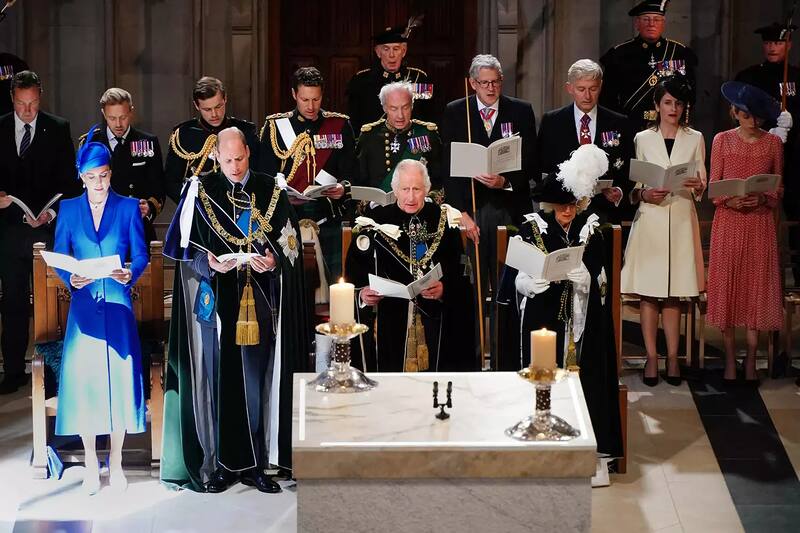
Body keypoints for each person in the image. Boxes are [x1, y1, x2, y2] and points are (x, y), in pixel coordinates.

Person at [161, 127, 310, 494]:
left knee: (257, 380)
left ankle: (258, 464)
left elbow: (291, 246)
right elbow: (186, 252)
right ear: (216, 157)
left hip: (261, 300)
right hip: (219, 303)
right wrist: (210, 262)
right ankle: (226, 464)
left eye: (239, 159)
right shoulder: (201, 190)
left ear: (248, 152)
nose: (234, 166)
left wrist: (274, 260)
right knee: (223, 380)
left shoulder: (270, 188)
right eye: (226, 160)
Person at [514, 145, 623, 476]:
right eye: (561, 206)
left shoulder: (591, 230)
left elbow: (604, 282)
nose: (567, 212)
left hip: (581, 327)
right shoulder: (533, 228)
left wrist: (588, 279)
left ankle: (588, 450)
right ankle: (542, 445)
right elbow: (514, 275)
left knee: (586, 377)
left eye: (573, 205)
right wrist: (525, 284)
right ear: (550, 205)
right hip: (543, 319)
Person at [52, 138, 146, 494]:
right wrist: (69, 276)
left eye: (104, 176)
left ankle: (116, 462)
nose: (100, 183)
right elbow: (61, 253)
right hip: (84, 306)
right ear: (81, 177)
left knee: (120, 383)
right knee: (87, 384)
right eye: (92, 177)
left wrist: (129, 273)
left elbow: (139, 255)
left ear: (111, 174)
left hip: (118, 303)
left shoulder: (127, 207)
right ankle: (91, 461)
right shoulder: (69, 209)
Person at [441, 54, 537, 363]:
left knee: (505, 286)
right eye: (484, 83)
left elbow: (531, 163)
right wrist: (460, 213)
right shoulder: (457, 112)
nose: (491, 88)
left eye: (495, 82)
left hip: (508, 209)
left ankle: (503, 357)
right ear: (472, 83)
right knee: (472, 287)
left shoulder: (520, 111)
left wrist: (504, 182)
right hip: (470, 210)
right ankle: (471, 357)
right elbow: (448, 169)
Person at [345, 159, 474, 372]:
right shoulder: (375, 222)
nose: (411, 196)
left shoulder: (443, 220)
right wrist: (362, 295)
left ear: (427, 190)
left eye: (417, 189)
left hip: (436, 319)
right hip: (389, 321)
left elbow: (461, 270)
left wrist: (445, 289)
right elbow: (354, 272)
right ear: (395, 190)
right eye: (405, 189)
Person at [621, 75, 706, 387]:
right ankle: (652, 357)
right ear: (656, 106)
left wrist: (698, 185)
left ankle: (673, 357)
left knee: (674, 294)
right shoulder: (643, 139)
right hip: (652, 220)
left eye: (679, 103)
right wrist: (644, 194)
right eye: (668, 102)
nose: (674, 108)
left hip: (682, 218)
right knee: (650, 293)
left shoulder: (695, 137)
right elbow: (635, 186)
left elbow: (702, 181)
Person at [0, 70, 76, 394]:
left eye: (32, 103)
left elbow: (70, 183)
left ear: (39, 97)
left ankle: (52, 373)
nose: (27, 111)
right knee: (13, 302)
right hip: (8, 231)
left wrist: (52, 210)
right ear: (12, 99)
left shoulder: (57, 129)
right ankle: (14, 371)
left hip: (45, 229)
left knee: (48, 304)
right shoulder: (0, 126)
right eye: (21, 104)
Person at [707, 82, 784, 384]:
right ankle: (729, 359)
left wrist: (763, 198)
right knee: (728, 288)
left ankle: (751, 359)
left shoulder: (773, 144)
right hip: (729, 221)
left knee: (755, 288)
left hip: (759, 223)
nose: (752, 121)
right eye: (746, 115)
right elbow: (714, 186)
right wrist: (730, 198)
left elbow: (778, 187)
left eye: (757, 116)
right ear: (736, 113)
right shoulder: (721, 141)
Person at [258, 66, 355, 279]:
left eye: (316, 99)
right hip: (287, 219)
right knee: (292, 287)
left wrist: (343, 188)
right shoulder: (275, 127)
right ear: (294, 94)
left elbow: (352, 173)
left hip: (328, 217)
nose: (311, 107)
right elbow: (263, 177)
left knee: (332, 290)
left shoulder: (339, 124)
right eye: (305, 100)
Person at [736, 22, 799, 285]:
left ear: (789, 45)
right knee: (758, 215)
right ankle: (757, 276)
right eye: (769, 43)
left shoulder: (796, 76)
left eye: (779, 43)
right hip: (758, 156)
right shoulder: (750, 77)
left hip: (794, 158)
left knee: (795, 218)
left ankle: (797, 276)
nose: (773, 47)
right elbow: (738, 115)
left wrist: (790, 124)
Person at [537, 59, 634, 223]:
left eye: (593, 89)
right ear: (570, 88)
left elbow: (629, 165)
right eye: (581, 89)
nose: (587, 96)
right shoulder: (552, 121)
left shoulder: (619, 122)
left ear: (601, 86)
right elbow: (540, 165)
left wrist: (619, 190)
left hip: (605, 214)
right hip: (563, 212)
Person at [79, 88, 165, 244]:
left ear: (131, 112)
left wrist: (149, 207)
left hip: (137, 228)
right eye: (112, 118)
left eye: (123, 117)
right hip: (100, 229)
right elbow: (80, 187)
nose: (118, 124)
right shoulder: (90, 143)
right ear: (104, 114)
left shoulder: (147, 142)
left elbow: (158, 187)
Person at [599, 0, 698, 131]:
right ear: (637, 24)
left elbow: (690, 95)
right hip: (629, 128)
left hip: (668, 127)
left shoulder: (680, 53)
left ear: (663, 24)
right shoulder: (619, 54)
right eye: (646, 19)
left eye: (657, 20)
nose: (651, 24)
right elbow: (607, 99)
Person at [164, 76, 259, 203]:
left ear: (225, 99)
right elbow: (171, 181)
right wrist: (192, 204)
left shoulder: (245, 131)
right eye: (207, 109)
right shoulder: (183, 135)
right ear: (196, 106)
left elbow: (260, 174)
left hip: (242, 206)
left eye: (218, 106)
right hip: (197, 209)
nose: (214, 114)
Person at [356, 82, 442, 193]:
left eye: (405, 108)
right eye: (394, 109)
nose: (400, 115)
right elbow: (359, 179)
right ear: (384, 108)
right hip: (379, 207)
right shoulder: (370, 136)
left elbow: (439, 179)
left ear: (412, 106)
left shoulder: (427, 134)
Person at [347, 23, 431, 132]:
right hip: (375, 143)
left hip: (410, 143)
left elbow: (429, 117)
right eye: (386, 49)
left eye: (396, 49)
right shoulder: (361, 81)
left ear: (404, 51)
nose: (391, 55)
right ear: (378, 52)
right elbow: (354, 122)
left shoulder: (419, 78)